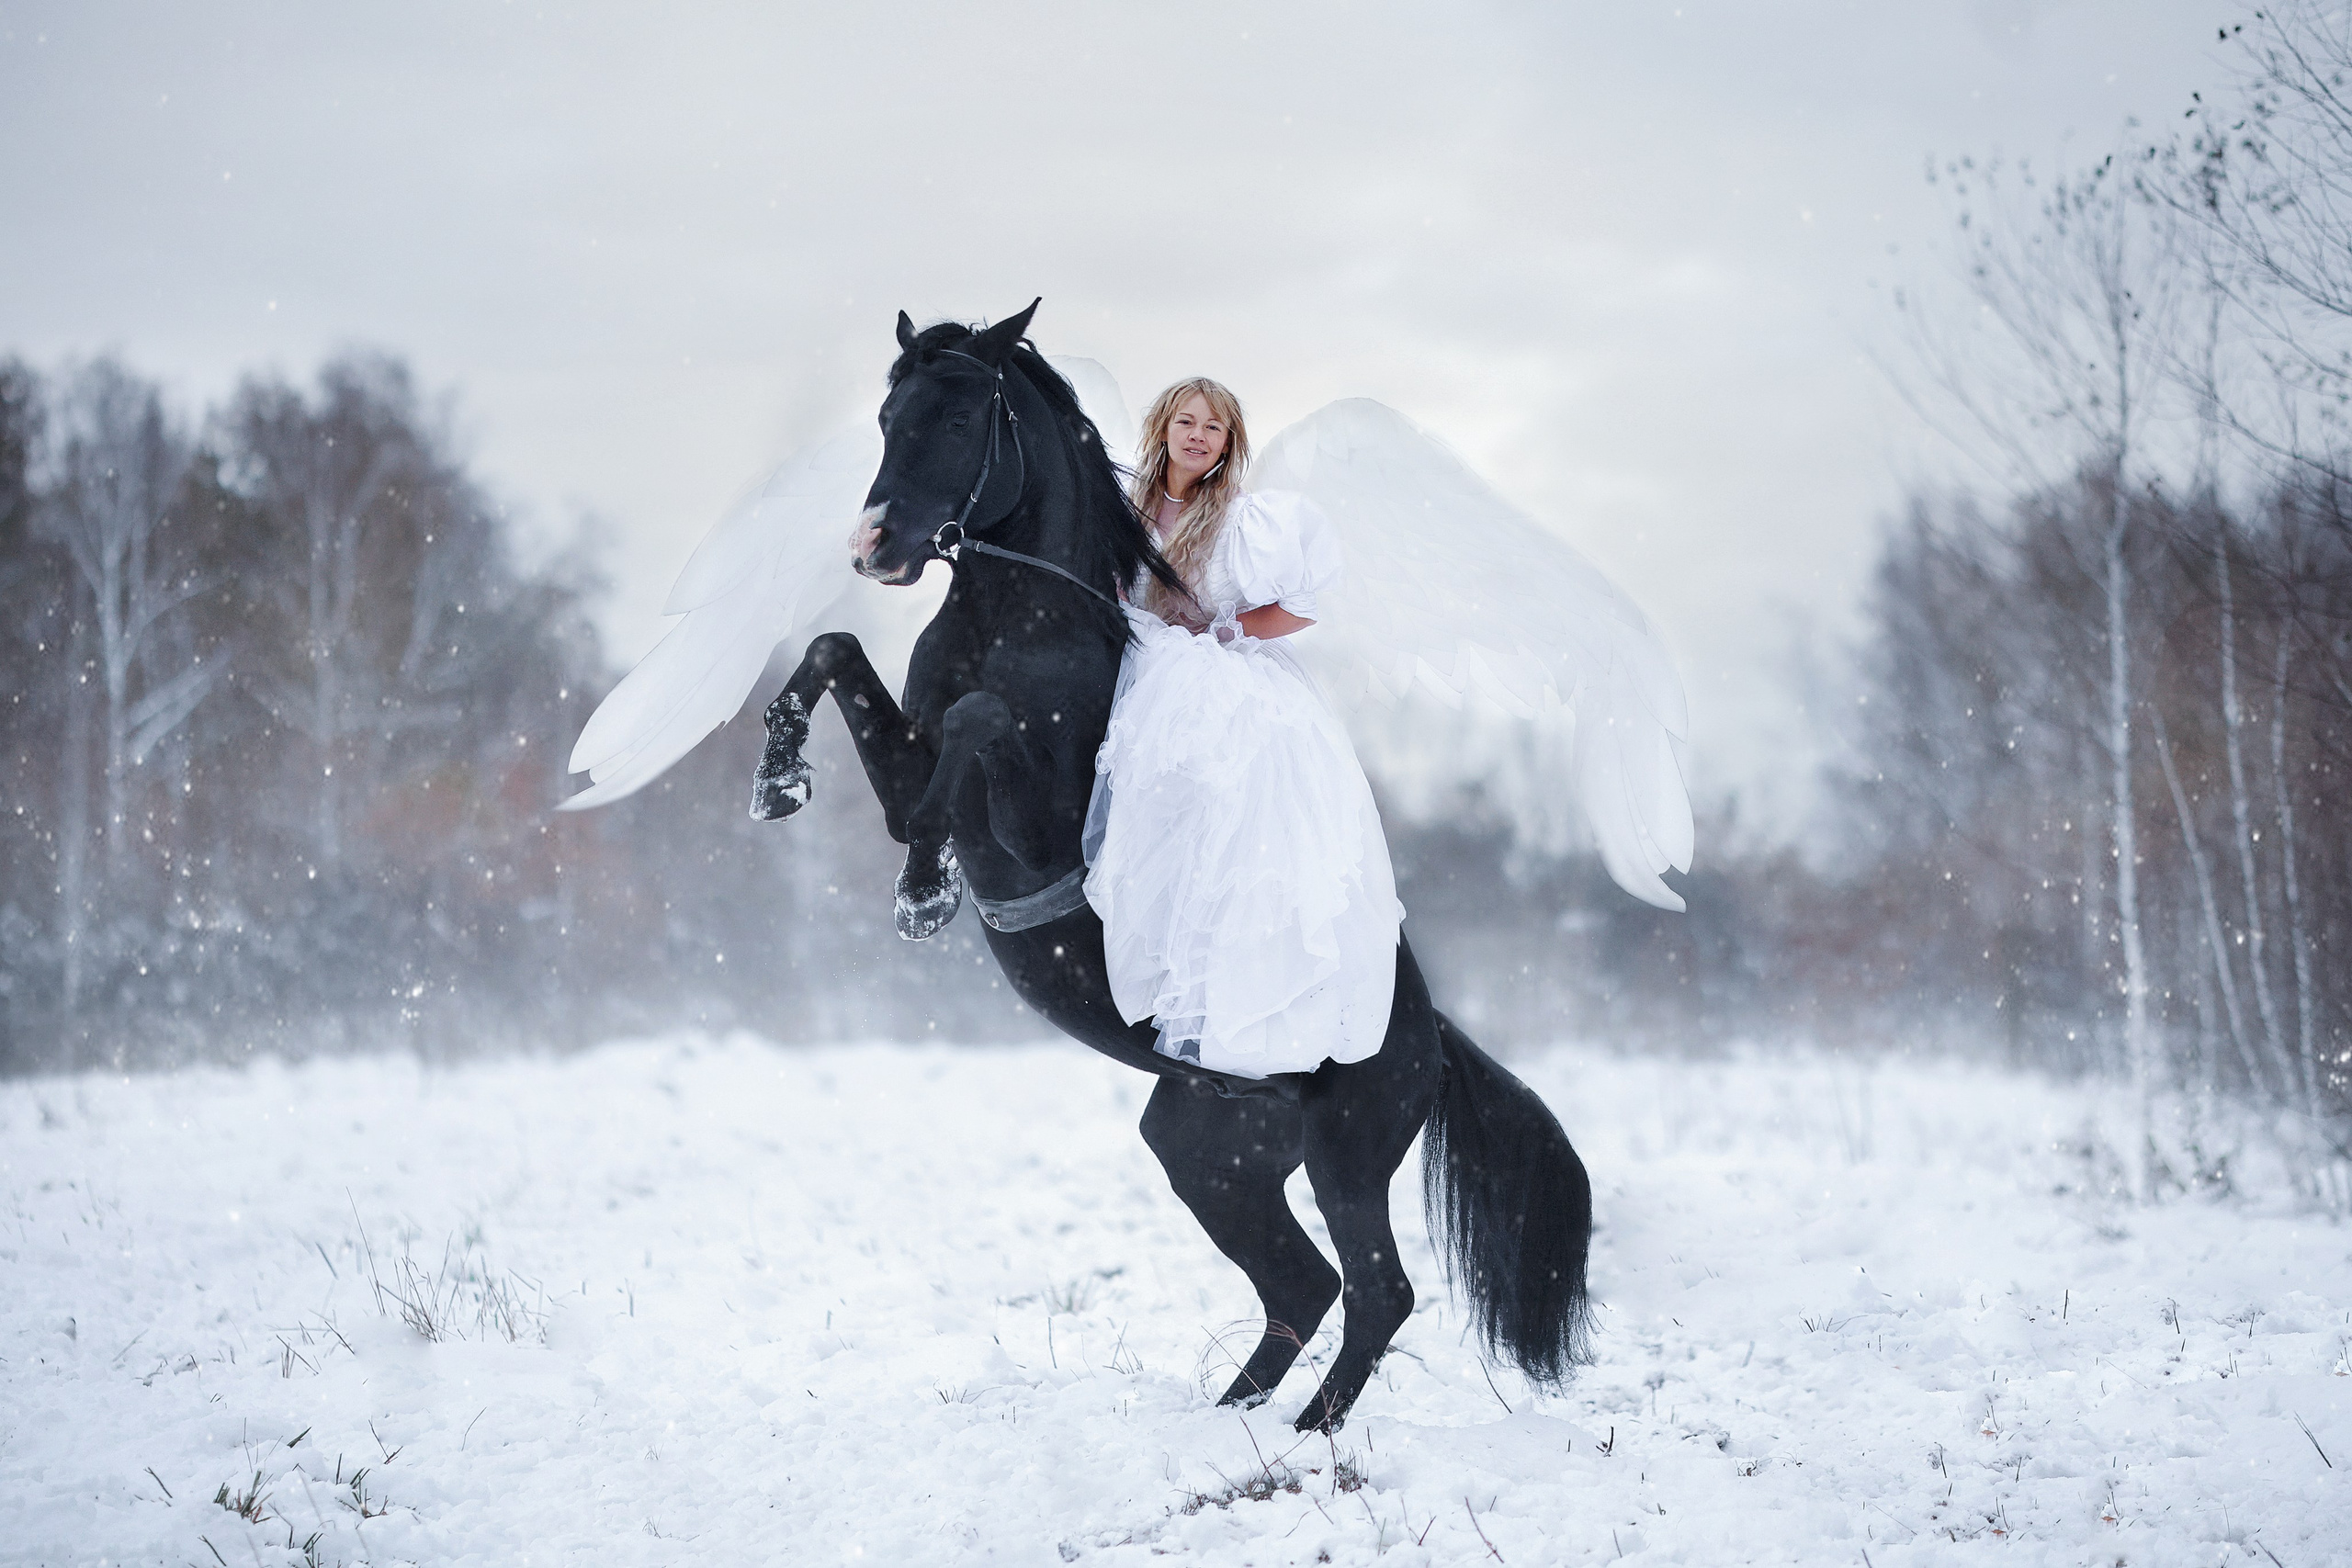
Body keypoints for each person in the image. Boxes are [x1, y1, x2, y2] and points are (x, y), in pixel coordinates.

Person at [1082, 378, 1404, 1080]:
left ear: (1229, 443)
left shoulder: (1244, 521)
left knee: (1228, 824)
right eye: (1187, 422)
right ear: (1162, 428)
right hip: (1137, 667)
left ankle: (1217, 996)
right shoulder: (1123, 508)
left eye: (1216, 428)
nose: (1199, 436)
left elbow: (1306, 604)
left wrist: (1225, 627)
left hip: (1219, 678)